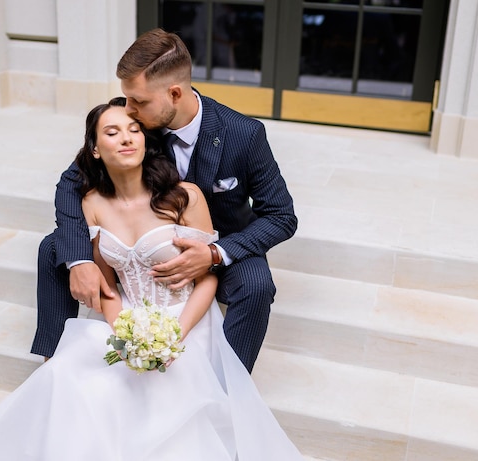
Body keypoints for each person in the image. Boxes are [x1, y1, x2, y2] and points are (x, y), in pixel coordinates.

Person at [0, 99, 303, 461]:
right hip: (130, 319)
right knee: (76, 377)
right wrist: (127, 332)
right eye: (114, 131)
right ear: (95, 149)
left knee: (249, 294)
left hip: (188, 310)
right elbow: (106, 284)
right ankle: (52, 365)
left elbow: (224, 264)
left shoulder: (190, 188)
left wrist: (172, 333)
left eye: (135, 128)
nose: (128, 134)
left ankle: (230, 399)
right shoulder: (91, 201)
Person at [31, 28, 297, 372]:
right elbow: (70, 183)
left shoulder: (243, 134)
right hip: (148, 237)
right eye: (127, 98)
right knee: (56, 248)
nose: (128, 109)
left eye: (138, 101)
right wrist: (80, 261)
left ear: (173, 93)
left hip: (223, 241)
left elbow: (281, 216)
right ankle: (52, 364)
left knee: (257, 285)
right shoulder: (137, 123)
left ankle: (230, 385)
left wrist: (214, 253)